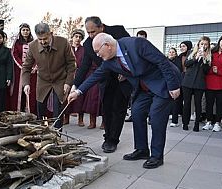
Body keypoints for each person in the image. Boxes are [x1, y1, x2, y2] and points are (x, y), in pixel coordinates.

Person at [68, 33, 182, 169]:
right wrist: (78, 92)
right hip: (144, 87)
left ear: (108, 46)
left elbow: (162, 61)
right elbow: (96, 76)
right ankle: (142, 150)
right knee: (137, 112)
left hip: (163, 83)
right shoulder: (110, 61)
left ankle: (156, 156)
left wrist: (173, 85)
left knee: (156, 117)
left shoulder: (136, 44)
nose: (97, 55)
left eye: (98, 51)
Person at [71, 16, 132, 153]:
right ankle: (107, 137)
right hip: (106, 77)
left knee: (118, 109)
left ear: (102, 27)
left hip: (123, 79)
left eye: (93, 32)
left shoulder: (118, 31)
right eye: (89, 33)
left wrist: (126, 71)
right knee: (107, 109)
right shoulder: (88, 44)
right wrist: (75, 86)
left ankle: (113, 140)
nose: (91, 36)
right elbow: (84, 66)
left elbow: (129, 51)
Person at [22, 23, 76, 129]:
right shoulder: (32, 46)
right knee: (40, 108)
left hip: (60, 79)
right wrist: (26, 84)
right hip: (43, 80)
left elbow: (72, 64)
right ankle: (43, 133)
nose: (43, 42)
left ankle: (57, 134)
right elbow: (26, 67)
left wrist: (68, 82)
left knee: (58, 109)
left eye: (45, 39)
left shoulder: (63, 42)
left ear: (51, 34)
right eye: (40, 39)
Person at [182, 36, 211, 132]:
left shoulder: (209, 56)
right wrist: (196, 58)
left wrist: (205, 60)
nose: (203, 46)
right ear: (198, 44)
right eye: (202, 43)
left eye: (206, 44)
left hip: (199, 83)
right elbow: (186, 64)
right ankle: (185, 123)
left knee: (198, 104)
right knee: (186, 103)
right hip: (188, 82)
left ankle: (197, 124)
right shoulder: (191, 52)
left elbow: (206, 71)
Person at [203, 34, 222, 132]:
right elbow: (205, 66)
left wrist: (219, 71)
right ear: (220, 41)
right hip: (210, 82)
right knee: (209, 104)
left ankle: (217, 123)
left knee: (220, 104)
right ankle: (209, 121)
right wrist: (212, 70)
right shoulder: (211, 52)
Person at [8, 23, 36, 114]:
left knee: (30, 90)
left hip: (31, 70)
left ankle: (30, 112)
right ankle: (17, 112)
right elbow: (14, 55)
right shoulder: (16, 43)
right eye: (23, 30)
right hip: (19, 69)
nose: (25, 32)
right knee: (18, 90)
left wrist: (34, 67)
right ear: (20, 31)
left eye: (27, 30)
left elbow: (37, 55)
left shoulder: (34, 43)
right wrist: (22, 66)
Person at [64, 29, 87, 127]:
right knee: (66, 95)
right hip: (68, 74)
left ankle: (80, 119)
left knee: (80, 97)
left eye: (80, 37)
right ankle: (66, 118)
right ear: (72, 37)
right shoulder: (67, 48)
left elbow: (85, 63)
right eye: (76, 37)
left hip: (80, 75)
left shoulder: (84, 49)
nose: (78, 39)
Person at [125, 30, 148, 123]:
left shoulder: (148, 48)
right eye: (138, 38)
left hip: (147, 78)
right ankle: (133, 115)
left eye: (142, 39)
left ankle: (150, 116)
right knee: (134, 97)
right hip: (135, 78)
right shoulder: (132, 49)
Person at [168, 47, 183, 127]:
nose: (171, 53)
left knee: (176, 102)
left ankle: (175, 120)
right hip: (167, 83)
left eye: (173, 52)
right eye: (170, 52)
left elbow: (179, 70)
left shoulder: (178, 60)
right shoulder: (165, 60)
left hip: (176, 83)